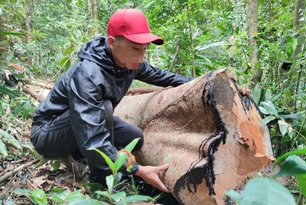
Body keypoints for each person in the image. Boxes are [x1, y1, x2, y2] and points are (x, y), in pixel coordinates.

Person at [30, 8, 192, 193]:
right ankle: (98, 184)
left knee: (134, 136)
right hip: (47, 134)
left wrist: (201, 81)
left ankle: (83, 156)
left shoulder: (129, 62)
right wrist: (137, 169)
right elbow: (93, 138)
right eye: (135, 48)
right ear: (112, 42)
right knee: (105, 108)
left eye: (144, 50)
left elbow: (162, 76)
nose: (140, 57)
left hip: (81, 127)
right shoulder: (88, 73)